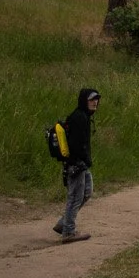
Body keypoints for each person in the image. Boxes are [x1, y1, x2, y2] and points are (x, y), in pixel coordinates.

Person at [52, 88, 101, 244]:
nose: (95, 102)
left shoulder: (84, 117)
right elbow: (76, 145)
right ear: (84, 100)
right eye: (92, 99)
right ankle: (68, 232)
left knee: (87, 192)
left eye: (97, 99)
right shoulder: (79, 118)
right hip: (76, 164)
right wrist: (82, 161)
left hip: (81, 164)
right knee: (75, 197)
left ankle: (63, 223)